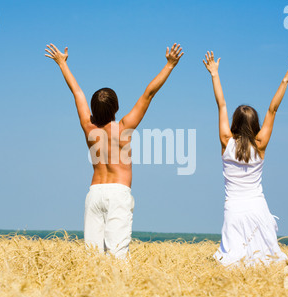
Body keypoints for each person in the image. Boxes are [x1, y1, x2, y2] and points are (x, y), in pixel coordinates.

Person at [45, 43, 184, 259]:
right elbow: (148, 94)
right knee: (117, 257)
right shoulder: (123, 128)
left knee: (93, 258)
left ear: (92, 110)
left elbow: (77, 92)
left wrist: (62, 63)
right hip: (118, 193)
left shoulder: (88, 127)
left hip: (94, 193)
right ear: (116, 109)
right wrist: (170, 65)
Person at [203, 51, 288, 266]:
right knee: (266, 260)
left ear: (235, 122)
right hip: (257, 208)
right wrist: (285, 80)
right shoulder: (260, 144)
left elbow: (221, 104)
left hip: (233, 209)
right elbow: (272, 110)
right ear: (255, 125)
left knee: (232, 260)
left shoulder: (226, 141)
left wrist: (214, 74)